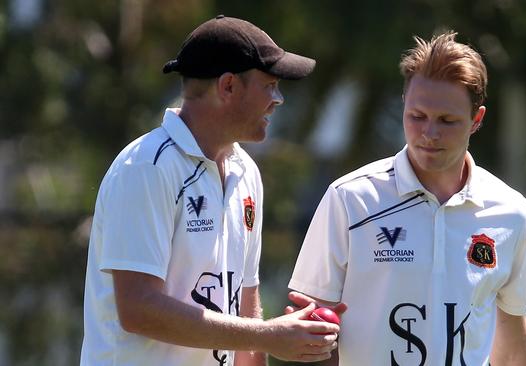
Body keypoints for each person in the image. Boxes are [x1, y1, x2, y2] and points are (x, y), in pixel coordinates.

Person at [80, 15, 341, 366]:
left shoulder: (246, 171)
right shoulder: (145, 167)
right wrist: (270, 335)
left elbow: (247, 305)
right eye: (269, 85)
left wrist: (264, 338)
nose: (277, 99)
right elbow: (139, 309)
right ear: (228, 86)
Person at [289, 31, 526, 365]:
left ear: (476, 120)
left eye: (447, 121)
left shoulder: (512, 212)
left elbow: (511, 343)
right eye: (416, 116)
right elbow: (312, 335)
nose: (429, 134)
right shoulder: (350, 198)